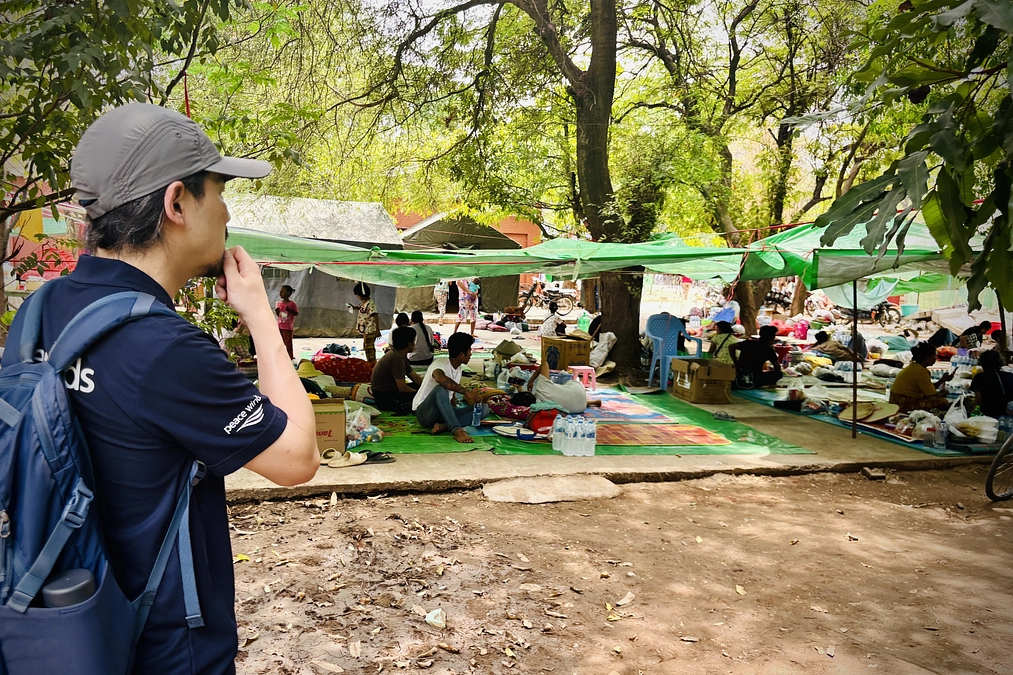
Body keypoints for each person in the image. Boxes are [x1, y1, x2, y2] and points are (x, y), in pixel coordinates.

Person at [0, 103, 319, 673]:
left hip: (67, 626)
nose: (226, 213)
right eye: (219, 192)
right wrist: (260, 317)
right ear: (176, 204)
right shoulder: (164, 348)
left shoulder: (41, 310)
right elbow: (297, 458)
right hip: (165, 648)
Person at [412, 332, 487, 443]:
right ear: (461, 354)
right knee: (440, 389)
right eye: (469, 351)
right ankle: (457, 430)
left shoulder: (458, 368)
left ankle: (445, 426)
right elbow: (440, 378)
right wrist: (466, 392)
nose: (471, 354)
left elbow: (452, 395)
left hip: (442, 413)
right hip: (425, 414)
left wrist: (452, 412)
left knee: (484, 409)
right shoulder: (439, 364)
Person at [371, 326, 424, 414]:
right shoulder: (396, 358)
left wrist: (425, 388)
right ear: (409, 344)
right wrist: (420, 394)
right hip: (385, 397)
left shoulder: (399, 355)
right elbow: (402, 388)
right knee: (421, 401)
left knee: (421, 391)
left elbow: (414, 377)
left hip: (391, 391)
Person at [889, 342, 953, 413]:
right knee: (942, 402)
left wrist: (942, 380)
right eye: (934, 356)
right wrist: (941, 394)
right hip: (902, 403)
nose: (936, 358)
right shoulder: (920, 371)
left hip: (896, 400)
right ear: (927, 358)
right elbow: (931, 395)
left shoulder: (915, 367)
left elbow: (928, 389)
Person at [524, 359, 599, 413]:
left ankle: (590, 402)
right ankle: (591, 402)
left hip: (580, 408)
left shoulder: (539, 406)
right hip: (579, 390)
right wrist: (531, 381)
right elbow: (545, 364)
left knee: (563, 400)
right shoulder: (542, 387)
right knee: (565, 389)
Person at [970, 349, 1013, 418]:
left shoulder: (980, 377)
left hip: (987, 415)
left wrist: (971, 414)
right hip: (1008, 415)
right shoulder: (1010, 376)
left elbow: (978, 400)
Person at [350, 282, 379, 362]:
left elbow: (375, 315)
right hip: (366, 329)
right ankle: (370, 362)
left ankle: (372, 363)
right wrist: (353, 307)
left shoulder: (370, 303)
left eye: (358, 295)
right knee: (366, 347)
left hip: (370, 329)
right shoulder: (363, 303)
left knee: (369, 348)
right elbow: (360, 308)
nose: (357, 297)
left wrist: (377, 330)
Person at [275, 284, 298, 359]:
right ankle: (281, 355)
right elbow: (279, 315)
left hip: (287, 327)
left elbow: (296, 313)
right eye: (280, 291)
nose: (280, 293)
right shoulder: (280, 303)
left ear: (288, 293)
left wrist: (289, 310)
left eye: (282, 291)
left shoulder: (292, 304)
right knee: (279, 342)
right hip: (280, 326)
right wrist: (277, 311)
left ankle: (290, 356)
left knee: (288, 343)